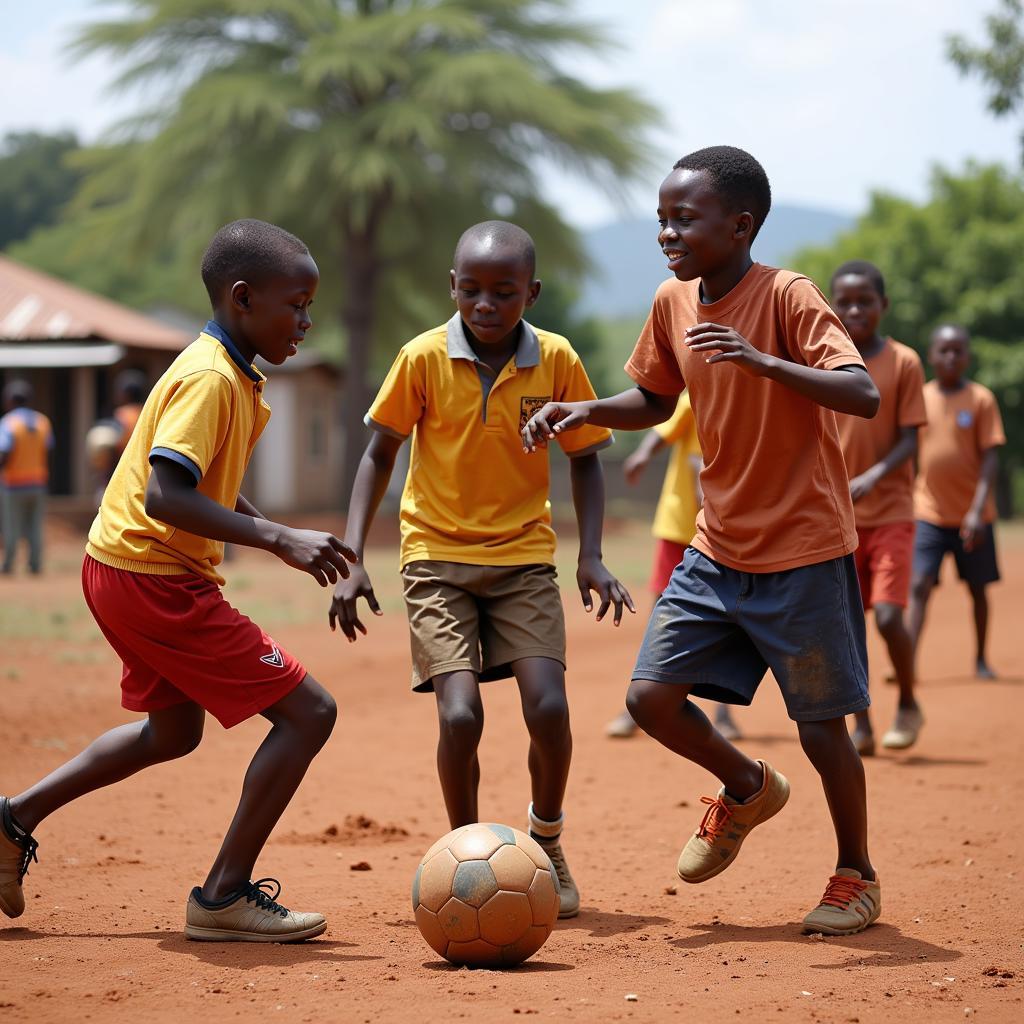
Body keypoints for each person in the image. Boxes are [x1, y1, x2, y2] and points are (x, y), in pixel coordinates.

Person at [522, 147, 884, 936]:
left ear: (741, 224)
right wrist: (582, 410)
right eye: (661, 219)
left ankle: (856, 874)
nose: (666, 233)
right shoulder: (672, 301)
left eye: (683, 219)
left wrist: (765, 361)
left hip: (806, 549)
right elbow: (655, 399)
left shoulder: (789, 298)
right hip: (716, 548)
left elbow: (861, 390)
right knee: (650, 698)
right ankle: (749, 787)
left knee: (823, 727)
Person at [1, 219, 355, 942]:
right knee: (309, 712)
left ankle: (10, 820)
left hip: (124, 568)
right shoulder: (208, 378)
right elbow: (167, 495)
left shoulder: (228, 372)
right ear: (243, 298)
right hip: (151, 575)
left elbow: (204, 486)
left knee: (171, 732)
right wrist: (279, 534)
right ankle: (224, 897)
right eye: (296, 304)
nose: (306, 320)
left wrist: (275, 542)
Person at [330, 220, 633, 919]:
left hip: (524, 556)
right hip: (435, 556)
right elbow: (379, 452)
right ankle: (462, 851)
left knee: (549, 706)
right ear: (453, 288)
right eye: (470, 290)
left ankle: (547, 840)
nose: (485, 305)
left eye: (503, 292)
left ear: (531, 291)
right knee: (460, 716)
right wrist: (351, 556)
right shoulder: (422, 357)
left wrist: (587, 555)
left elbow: (585, 455)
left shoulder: (555, 358)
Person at [830, 260, 927, 755]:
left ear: (883, 305)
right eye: (844, 302)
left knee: (888, 617)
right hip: (837, 519)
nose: (854, 310)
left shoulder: (904, 361)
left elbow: (911, 439)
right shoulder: (823, 363)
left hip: (890, 511)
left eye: (864, 301)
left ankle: (908, 703)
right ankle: (862, 723)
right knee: (848, 626)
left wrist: (872, 475)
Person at [605, 394, 741, 741]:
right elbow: (664, 433)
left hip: (724, 534)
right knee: (660, 616)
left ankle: (723, 714)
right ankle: (634, 708)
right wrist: (641, 455)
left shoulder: (749, 400)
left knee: (729, 620)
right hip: (680, 526)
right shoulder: (694, 397)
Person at [909, 324, 1005, 679]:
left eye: (958, 350)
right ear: (932, 355)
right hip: (928, 512)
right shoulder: (920, 397)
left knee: (977, 589)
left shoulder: (981, 399)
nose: (951, 357)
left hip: (974, 517)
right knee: (918, 585)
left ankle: (980, 659)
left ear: (967, 356)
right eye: (944, 350)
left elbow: (991, 457)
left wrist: (977, 511)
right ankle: (909, 663)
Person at [0, 380, 54, 575]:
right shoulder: (42, 422)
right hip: (37, 481)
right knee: (35, 526)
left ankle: (9, 564)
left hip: (14, 483)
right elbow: (47, 450)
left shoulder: (9, 423)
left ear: (10, 400)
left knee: (11, 526)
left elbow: (5, 452)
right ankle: (35, 564)